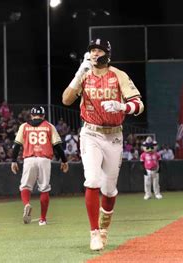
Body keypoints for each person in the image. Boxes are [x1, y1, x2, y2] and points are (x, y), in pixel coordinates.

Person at [62, 38, 145, 251]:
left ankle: (104, 228)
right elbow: (66, 100)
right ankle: (94, 232)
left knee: (109, 190)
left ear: (108, 54)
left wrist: (122, 106)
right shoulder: (85, 74)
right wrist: (78, 73)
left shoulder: (119, 75)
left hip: (114, 136)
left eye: (99, 50)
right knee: (92, 179)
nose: (95, 54)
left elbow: (139, 104)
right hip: (90, 132)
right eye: (92, 50)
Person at [11, 106, 69, 226]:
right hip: (44, 160)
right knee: (44, 188)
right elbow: (58, 146)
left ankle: (27, 203)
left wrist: (13, 161)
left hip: (29, 159)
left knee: (25, 186)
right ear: (43, 115)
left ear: (31, 115)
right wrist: (64, 161)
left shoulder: (24, 126)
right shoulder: (49, 126)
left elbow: (16, 145)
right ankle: (42, 219)